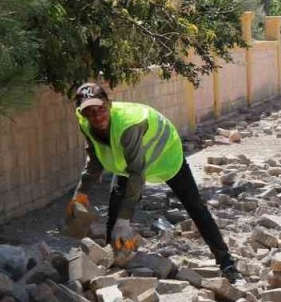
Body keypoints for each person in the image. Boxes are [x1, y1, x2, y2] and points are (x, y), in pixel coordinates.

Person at [69, 83, 241, 281]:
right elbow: (96, 159)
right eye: (90, 112)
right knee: (115, 213)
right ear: (82, 113)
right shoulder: (85, 123)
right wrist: (80, 195)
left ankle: (227, 264)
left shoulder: (128, 124)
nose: (97, 116)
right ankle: (117, 262)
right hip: (130, 164)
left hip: (165, 158)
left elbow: (137, 174)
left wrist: (125, 220)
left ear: (109, 103)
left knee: (195, 207)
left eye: (100, 108)